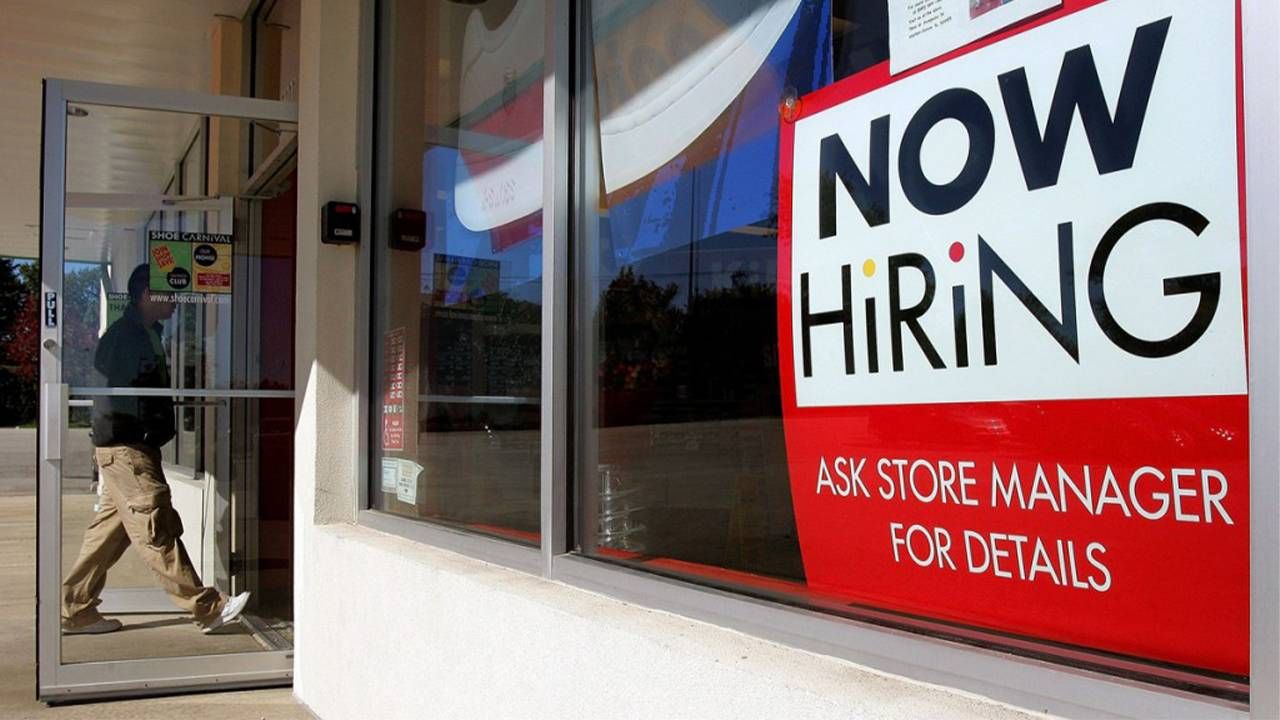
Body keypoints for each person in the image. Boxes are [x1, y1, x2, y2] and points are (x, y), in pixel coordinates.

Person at [61, 264, 249, 635]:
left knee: (109, 534)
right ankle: (207, 608)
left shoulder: (144, 333)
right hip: (128, 449)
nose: (178, 301)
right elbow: (119, 395)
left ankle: (75, 608)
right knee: (156, 528)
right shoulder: (126, 338)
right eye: (171, 294)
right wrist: (145, 432)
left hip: (125, 448)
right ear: (147, 295)